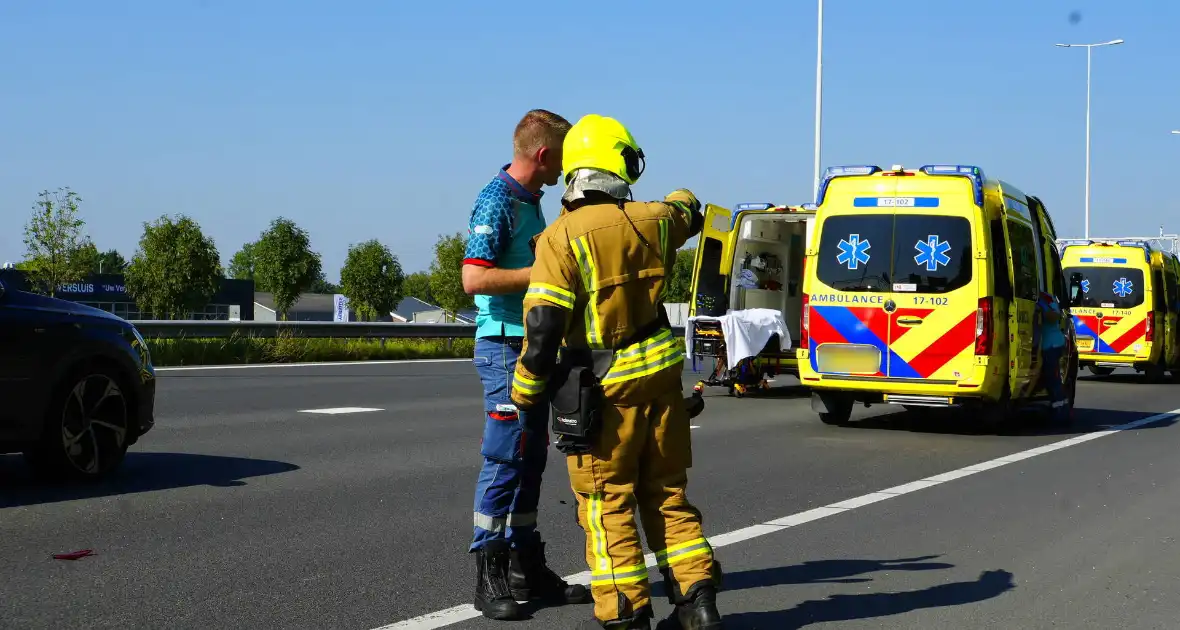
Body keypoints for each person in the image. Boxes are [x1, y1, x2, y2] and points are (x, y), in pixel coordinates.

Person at [510, 114, 723, 630]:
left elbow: (541, 331)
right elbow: (690, 208)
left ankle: (626, 614)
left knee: (607, 507)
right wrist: (680, 198)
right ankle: (697, 604)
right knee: (668, 494)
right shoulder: (653, 219)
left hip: (603, 395)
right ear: (620, 164)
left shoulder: (558, 240)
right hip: (662, 384)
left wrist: (525, 392)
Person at [462, 108, 591, 620]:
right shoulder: (496, 200)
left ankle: (525, 567)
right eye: (562, 157)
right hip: (502, 347)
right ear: (543, 154)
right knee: (505, 456)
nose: (565, 167)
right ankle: (488, 572)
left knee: (532, 457)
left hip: (534, 346)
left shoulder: (532, 202)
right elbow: (473, 279)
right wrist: (541, 273)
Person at [1037, 290, 1069, 421]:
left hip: (1051, 345)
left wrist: (1040, 308)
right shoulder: (1048, 297)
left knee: (1052, 378)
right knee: (1051, 377)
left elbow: (1053, 317)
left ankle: (1060, 410)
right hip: (1054, 343)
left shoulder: (1044, 300)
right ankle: (1059, 407)